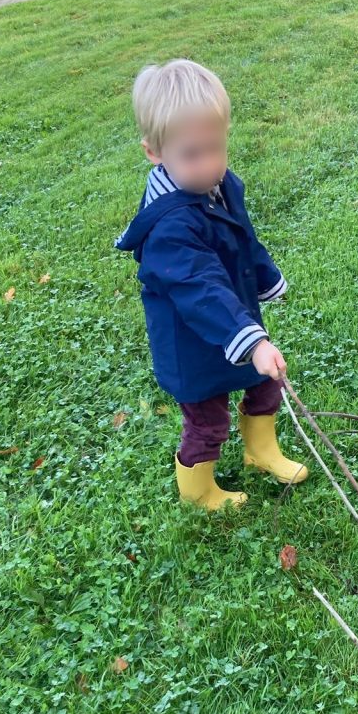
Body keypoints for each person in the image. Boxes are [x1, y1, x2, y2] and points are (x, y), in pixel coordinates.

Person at [115, 59, 308, 511]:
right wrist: (252, 341)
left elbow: (243, 239)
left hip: (233, 319)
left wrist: (265, 278)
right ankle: (198, 490)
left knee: (265, 386)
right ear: (154, 152)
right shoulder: (169, 227)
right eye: (192, 154)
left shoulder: (221, 186)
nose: (209, 165)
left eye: (216, 148)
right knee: (207, 418)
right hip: (193, 338)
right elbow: (199, 287)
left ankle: (261, 450)